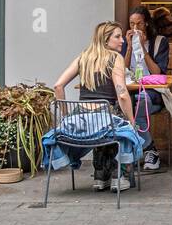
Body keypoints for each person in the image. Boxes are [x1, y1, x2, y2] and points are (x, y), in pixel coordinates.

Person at [52, 22, 139, 192]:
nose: (122, 41)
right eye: (117, 36)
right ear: (105, 40)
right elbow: (122, 94)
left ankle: (100, 176)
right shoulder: (115, 58)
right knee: (121, 127)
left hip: (81, 119)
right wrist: (132, 121)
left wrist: (65, 117)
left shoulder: (83, 57)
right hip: (105, 115)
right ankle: (117, 176)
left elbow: (58, 86)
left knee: (100, 126)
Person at [122, 6, 170, 172]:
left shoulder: (159, 42)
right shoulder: (124, 42)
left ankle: (146, 150)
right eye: (131, 24)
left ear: (147, 24)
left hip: (152, 92)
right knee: (121, 104)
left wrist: (142, 48)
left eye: (139, 24)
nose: (135, 28)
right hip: (130, 90)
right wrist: (129, 47)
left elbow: (158, 72)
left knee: (137, 106)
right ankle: (147, 148)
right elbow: (122, 70)